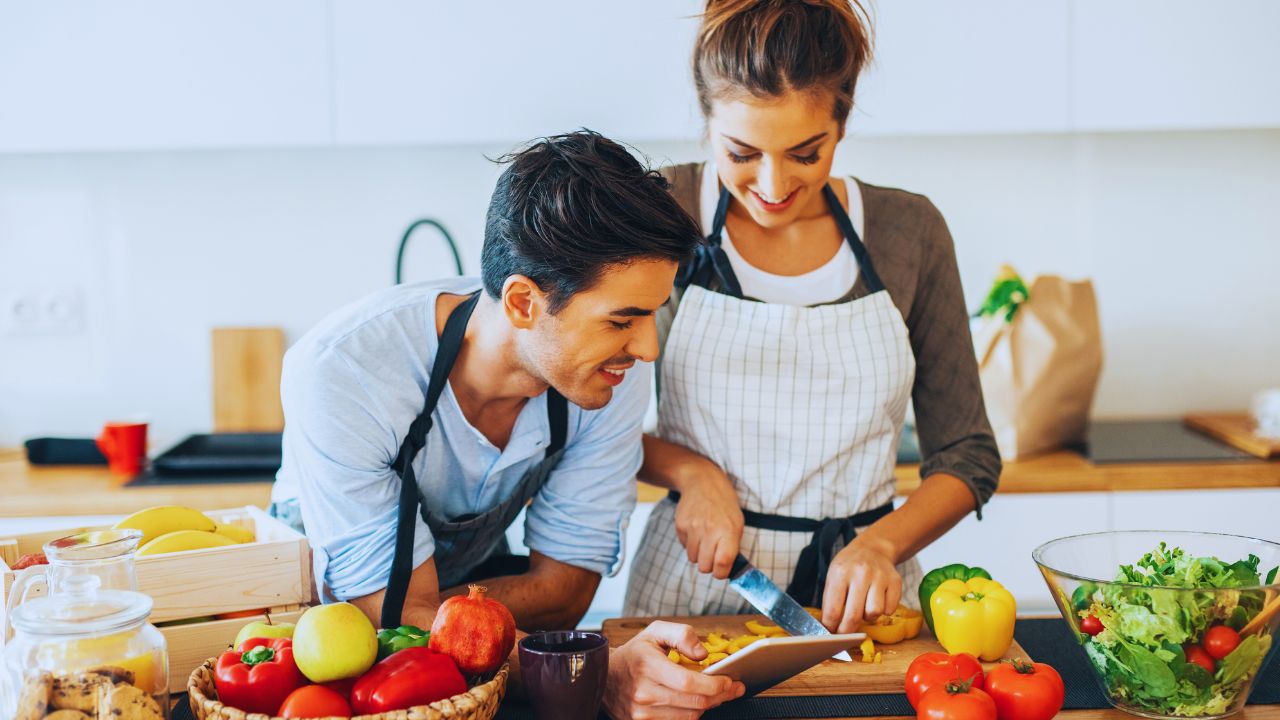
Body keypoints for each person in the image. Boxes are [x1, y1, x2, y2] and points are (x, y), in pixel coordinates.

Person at [271, 130, 744, 715]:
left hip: (471, 658)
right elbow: (385, 623)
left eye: (651, 316)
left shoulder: (607, 373)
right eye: (622, 320)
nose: (647, 348)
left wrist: (433, 613)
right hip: (318, 658)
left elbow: (565, 592)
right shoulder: (346, 372)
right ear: (523, 303)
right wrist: (586, 671)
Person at [624, 0, 1003, 638]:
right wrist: (691, 473)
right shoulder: (664, 211)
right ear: (706, 119)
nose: (772, 185)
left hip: (864, 599)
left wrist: (881, 544)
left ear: (842, 122)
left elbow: (968, 455)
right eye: (741, 153)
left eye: (805, 153)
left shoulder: (908, 232)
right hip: (693, 585)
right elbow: (583, 422)